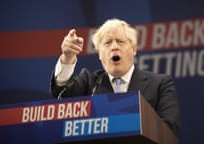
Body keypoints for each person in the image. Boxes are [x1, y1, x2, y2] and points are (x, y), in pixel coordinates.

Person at [50, 18, 180, 136]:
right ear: (100, 53)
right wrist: (67, 57)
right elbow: (62, 94)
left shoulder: (160, 84)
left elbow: (169, 129)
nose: (114, 47)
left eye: (120, 41)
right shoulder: (89, 83)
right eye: (107, 43)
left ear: (134, 49)